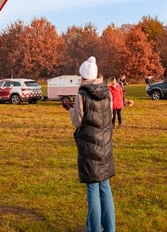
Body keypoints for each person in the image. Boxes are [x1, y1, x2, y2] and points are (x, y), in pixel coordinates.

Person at [66, 56, 116, 232]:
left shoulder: (82, 95)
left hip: (89, 146)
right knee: (105, 187)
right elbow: (109, 117)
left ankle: (94, 229)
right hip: (105, 144)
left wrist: (70, 109)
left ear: (83, 77)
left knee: (93, 189)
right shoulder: (107, 92)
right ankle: (110, 228)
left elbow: (77, 122)